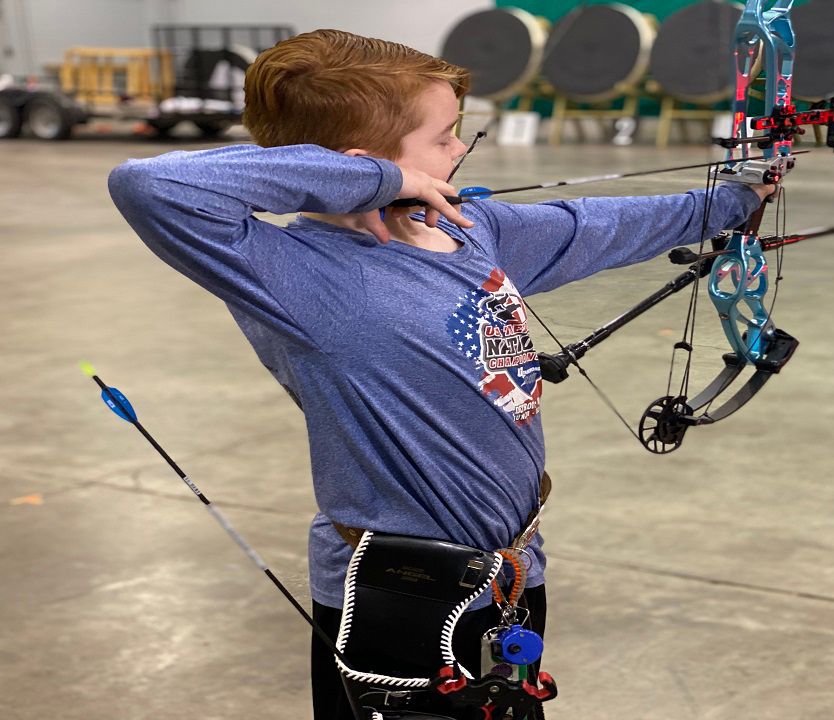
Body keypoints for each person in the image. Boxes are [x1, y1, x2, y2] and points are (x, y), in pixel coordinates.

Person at [108, 28, 774, 720]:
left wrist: (733, 203)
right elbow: (148, 185)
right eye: (444, 136)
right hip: (398, 595)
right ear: (363, 163)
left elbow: (590, 225)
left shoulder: (465, 229)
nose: (459, 149)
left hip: (513, 575)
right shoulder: (290, 273)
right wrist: (384, 182)